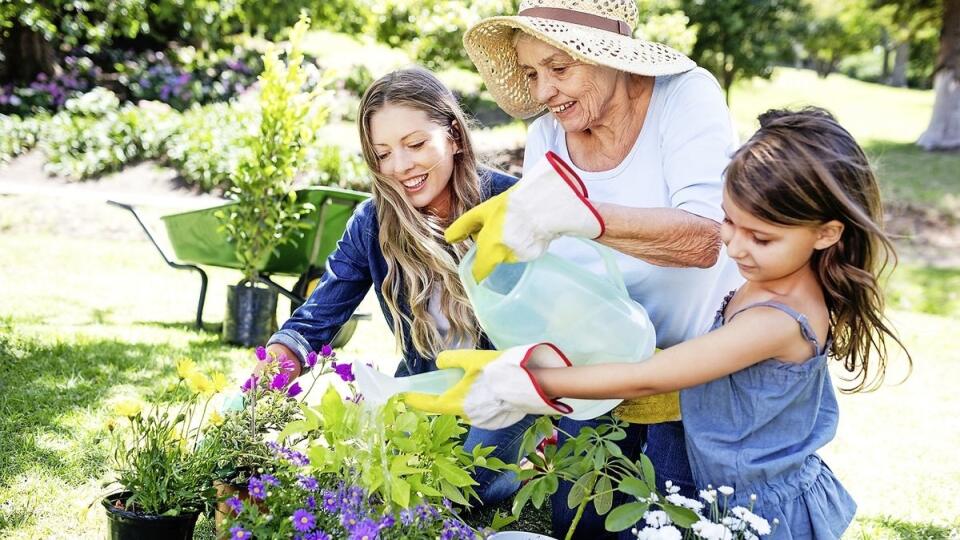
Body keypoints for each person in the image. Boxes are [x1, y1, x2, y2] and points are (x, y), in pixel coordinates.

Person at [433, 108, 912, 538]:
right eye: (728, 222)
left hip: (763, 511)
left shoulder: (779, 319)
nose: (736, 246)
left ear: (826, 233)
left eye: (761, 237)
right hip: (724, 487)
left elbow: (650, 377)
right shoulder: (774, 278)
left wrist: (530, 382)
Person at [451, 1, 744, 535]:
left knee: (683, 522)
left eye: (559, 69)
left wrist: (582, 217)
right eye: (532, 73)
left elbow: (706, 240)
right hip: (600, 376)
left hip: (695, 376)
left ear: (613, 57)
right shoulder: (549, 134)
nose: (543, 92)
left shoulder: (684, 96)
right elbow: (559, 274)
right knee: (581, 524)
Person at [260, 67, 533, 505]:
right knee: (364, 478)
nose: (400, 167)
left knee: (455, 489)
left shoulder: (511, 205)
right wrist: (271, 371)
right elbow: (318, 317)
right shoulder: (373, 222)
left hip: (502, 395)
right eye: (383, 153)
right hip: (423, 393)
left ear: (454, 135)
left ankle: (520, 464)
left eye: (416, 144)